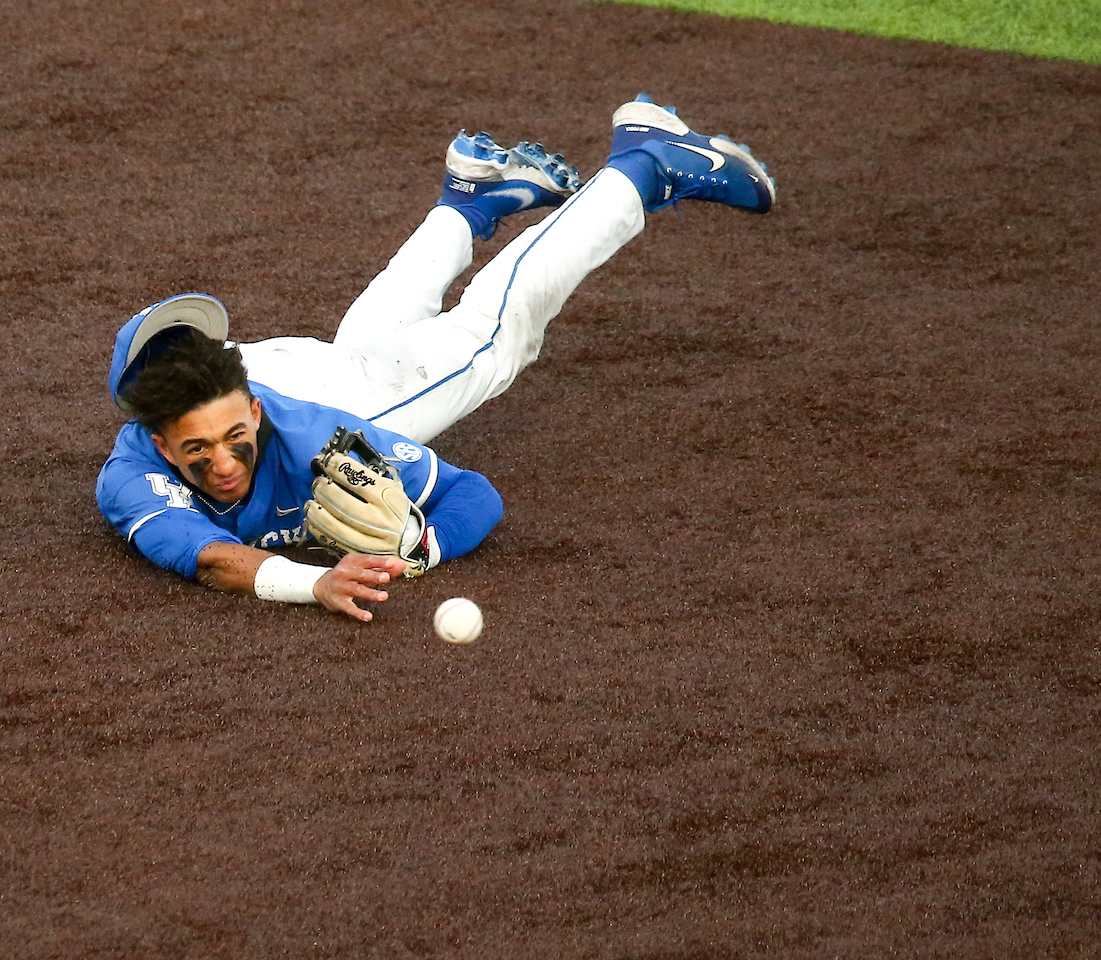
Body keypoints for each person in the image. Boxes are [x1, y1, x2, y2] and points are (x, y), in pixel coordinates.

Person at [96, 94, 776, 621]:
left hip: (318, 393)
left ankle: (642, 170)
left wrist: (423, 547)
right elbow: (208, 558)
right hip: (304, 371)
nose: (222, 465)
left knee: (492, 338)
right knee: (365, 357)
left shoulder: (320, 437)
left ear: (250, 407)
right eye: (197, 450)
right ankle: (469, 204)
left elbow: (470, 494)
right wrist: (319, 581)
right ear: (158, 440)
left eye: (233, 439)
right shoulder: (133, 475)